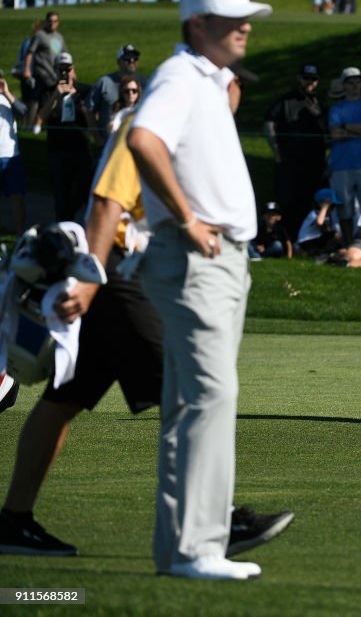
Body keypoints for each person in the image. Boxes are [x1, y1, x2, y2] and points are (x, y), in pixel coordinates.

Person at [0, 106, 293, 558]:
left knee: (62, 401)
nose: (232, 92)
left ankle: (14, 522)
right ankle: (219, 521)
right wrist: (93, 278)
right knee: (191, 393)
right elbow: (106, 201)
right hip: (117, 273)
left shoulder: (188, 121)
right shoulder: (154, 117)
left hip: (126, 270)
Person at [126, 0, 281, 581]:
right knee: (211, 397)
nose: (245, 25)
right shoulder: (178, 75)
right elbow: (143, 139)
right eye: (230, 17)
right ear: (198, 25)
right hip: (196, 257)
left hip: (219, 259)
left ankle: (179, 551)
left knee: (191, 401)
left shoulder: (207, 82)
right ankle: (198, 550)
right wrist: (188, 218)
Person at [264, 63, 327, 242]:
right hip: (290, 162)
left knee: (310, 201)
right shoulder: (286, 101)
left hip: (314, 161)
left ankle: (307, 241)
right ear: (299, 78)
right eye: (306, 78)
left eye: (313, 79)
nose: (310, 82)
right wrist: (275, 150)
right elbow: (269, 123)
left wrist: (318, 115)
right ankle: (286, 240)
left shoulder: (319, 103)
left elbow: (328, 131)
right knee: (288, 202)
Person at [327, 67, 361, 244]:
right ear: (344, 85)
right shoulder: (336, 109)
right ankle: (349, 243)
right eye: (351, 82)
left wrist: (347, 127)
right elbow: (335, 134)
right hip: (341, 164)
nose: (355, 86)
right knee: (345, 208)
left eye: (358, 81)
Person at [38, 52, 94, 222]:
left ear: (72, 68)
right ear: (55, 70)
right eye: (60, 69)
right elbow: (40, 120)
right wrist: (56, 95)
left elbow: (93, 122)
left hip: (80, 148)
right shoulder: (48, 91)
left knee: (85, 190)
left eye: (67, 68)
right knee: (61, 194)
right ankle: (64, 225)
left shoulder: (84, 90)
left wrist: (83, 106)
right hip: (57, 150)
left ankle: (75, 219)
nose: (64, 72)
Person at [89, 44, 146, 143]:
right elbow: (89, 111)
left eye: (135, 58)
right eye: (127, 58)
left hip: (134, 145)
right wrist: (98, 139)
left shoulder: (144, 83)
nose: (132, 61)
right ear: (119, 62)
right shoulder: (104, 82)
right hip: (108, 143)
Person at [22, 11, 66, 134]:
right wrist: (27, 70)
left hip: (54, 73)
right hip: (41, 72)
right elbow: (30, 53)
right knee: (38, 100)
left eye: (55, 21)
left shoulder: (59, 37)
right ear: (46, 21)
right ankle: (33, 126)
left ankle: (45, 125)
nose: (52, 23)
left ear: (58, 22)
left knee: (51, 100)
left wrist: (71, 72)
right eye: (50, 21)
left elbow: (65, 55)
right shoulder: (40, 35)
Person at [0, 71, 27, 235]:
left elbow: (24, 112)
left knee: (17, 197)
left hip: (11, 154)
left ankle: (19, 234)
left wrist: (7, 93)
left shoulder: (7, 99)